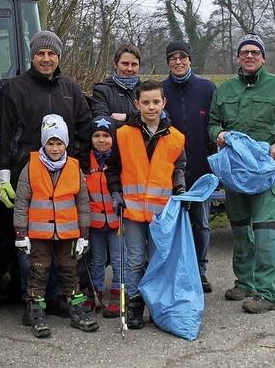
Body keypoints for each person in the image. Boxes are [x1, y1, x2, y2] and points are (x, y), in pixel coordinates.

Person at [0, 30, 92, 313]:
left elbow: (84, 128)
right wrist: (2, 175)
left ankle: (55, 297)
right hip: (26, 177)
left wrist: (79, 167)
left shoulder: (70, 89)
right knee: (32, 244)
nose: (46, 59)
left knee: (60, 240)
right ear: (32, 56)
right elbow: (5, 131)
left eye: (51, 54)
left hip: (63, 180)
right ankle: (30, 297)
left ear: (58, 57)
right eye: (40, 53)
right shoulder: (14, 88)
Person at [208, 33, 275, 314]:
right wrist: (219, 133)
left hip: (263, 174)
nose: (249, 56)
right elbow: (213, 123)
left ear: (263, 57)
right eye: (244, 51)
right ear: (238, 57)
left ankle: (268, 292)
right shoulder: (224, 90)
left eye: (255, 52)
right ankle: (245, 283)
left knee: (266, 232)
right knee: (239, 231)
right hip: (236, 174)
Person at [106, 79, 186, 329]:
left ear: (164, 103)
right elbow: (113, 168)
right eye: (145, 102)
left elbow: (179, 168)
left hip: (161, 213)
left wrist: (180, 189)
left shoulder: (176, 137)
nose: (151, 107)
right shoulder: (123, 134)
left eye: (155, 102)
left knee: (158, 259)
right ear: (136, 104)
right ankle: (135, 306)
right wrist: (116, 193)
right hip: (131, 211)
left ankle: (157, 304)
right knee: (135, 260)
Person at [13, 114, 98, 338]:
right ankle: (36, 312)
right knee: (38, 272)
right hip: (39, 234)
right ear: (43, 143)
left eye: (59, 143)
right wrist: (21, 232)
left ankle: (77, 311)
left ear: (65, 144)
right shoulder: (30, 168)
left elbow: (83, 203)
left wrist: (84, 234)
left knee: (70, 273)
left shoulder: (74, 168)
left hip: (68, 233)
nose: (54, 148)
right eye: (50, 143)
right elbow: (21, 202)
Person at [161, 41, 216, 293]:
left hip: (200, 168)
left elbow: (216, 126)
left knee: (200, 223)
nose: (178, 61)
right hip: (168, 171)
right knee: (171, 224)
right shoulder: (160, 90)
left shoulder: (207, 89)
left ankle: (200, 271)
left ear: (190, 59)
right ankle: (175, 270)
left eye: (183, 56)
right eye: (173, 58)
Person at [86, 116, 122, 318]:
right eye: (97, 135)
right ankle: (95, 291)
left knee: (118, 259)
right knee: (97, 259)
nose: (101, 140)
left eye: (106, 136)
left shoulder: (118, 159)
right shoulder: (86, 160)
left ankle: (118, 293)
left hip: (117, 221)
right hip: (95, 221)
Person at [91, 44, 142, 126]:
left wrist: (126, 117)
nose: (129, 69)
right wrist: (140, 119)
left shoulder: (146, 90)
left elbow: (158, 117)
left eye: (134, 64)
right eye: (125, 64)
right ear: (115, 64)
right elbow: (103, 123)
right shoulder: (101, 90)